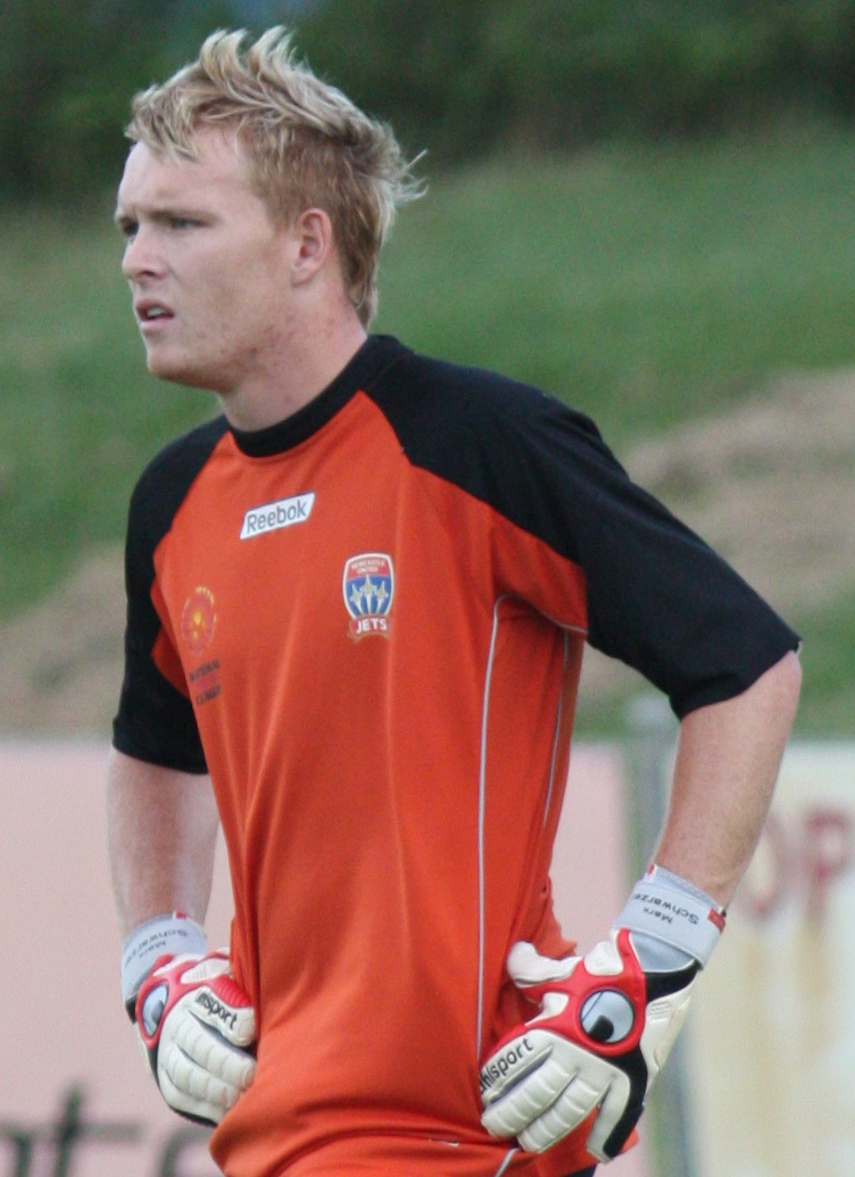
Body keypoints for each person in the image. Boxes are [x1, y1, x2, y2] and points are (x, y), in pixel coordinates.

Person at [107, 26, 802, 1177]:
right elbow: (151, 747)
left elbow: (748, 667)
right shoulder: (172, 503)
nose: (138, 259)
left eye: (181, 224)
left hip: (465, 1136)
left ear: (307, 243)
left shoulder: (477, 442)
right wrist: (158, 956)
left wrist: (650, 962)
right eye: (129, 226)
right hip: (274, 1143)